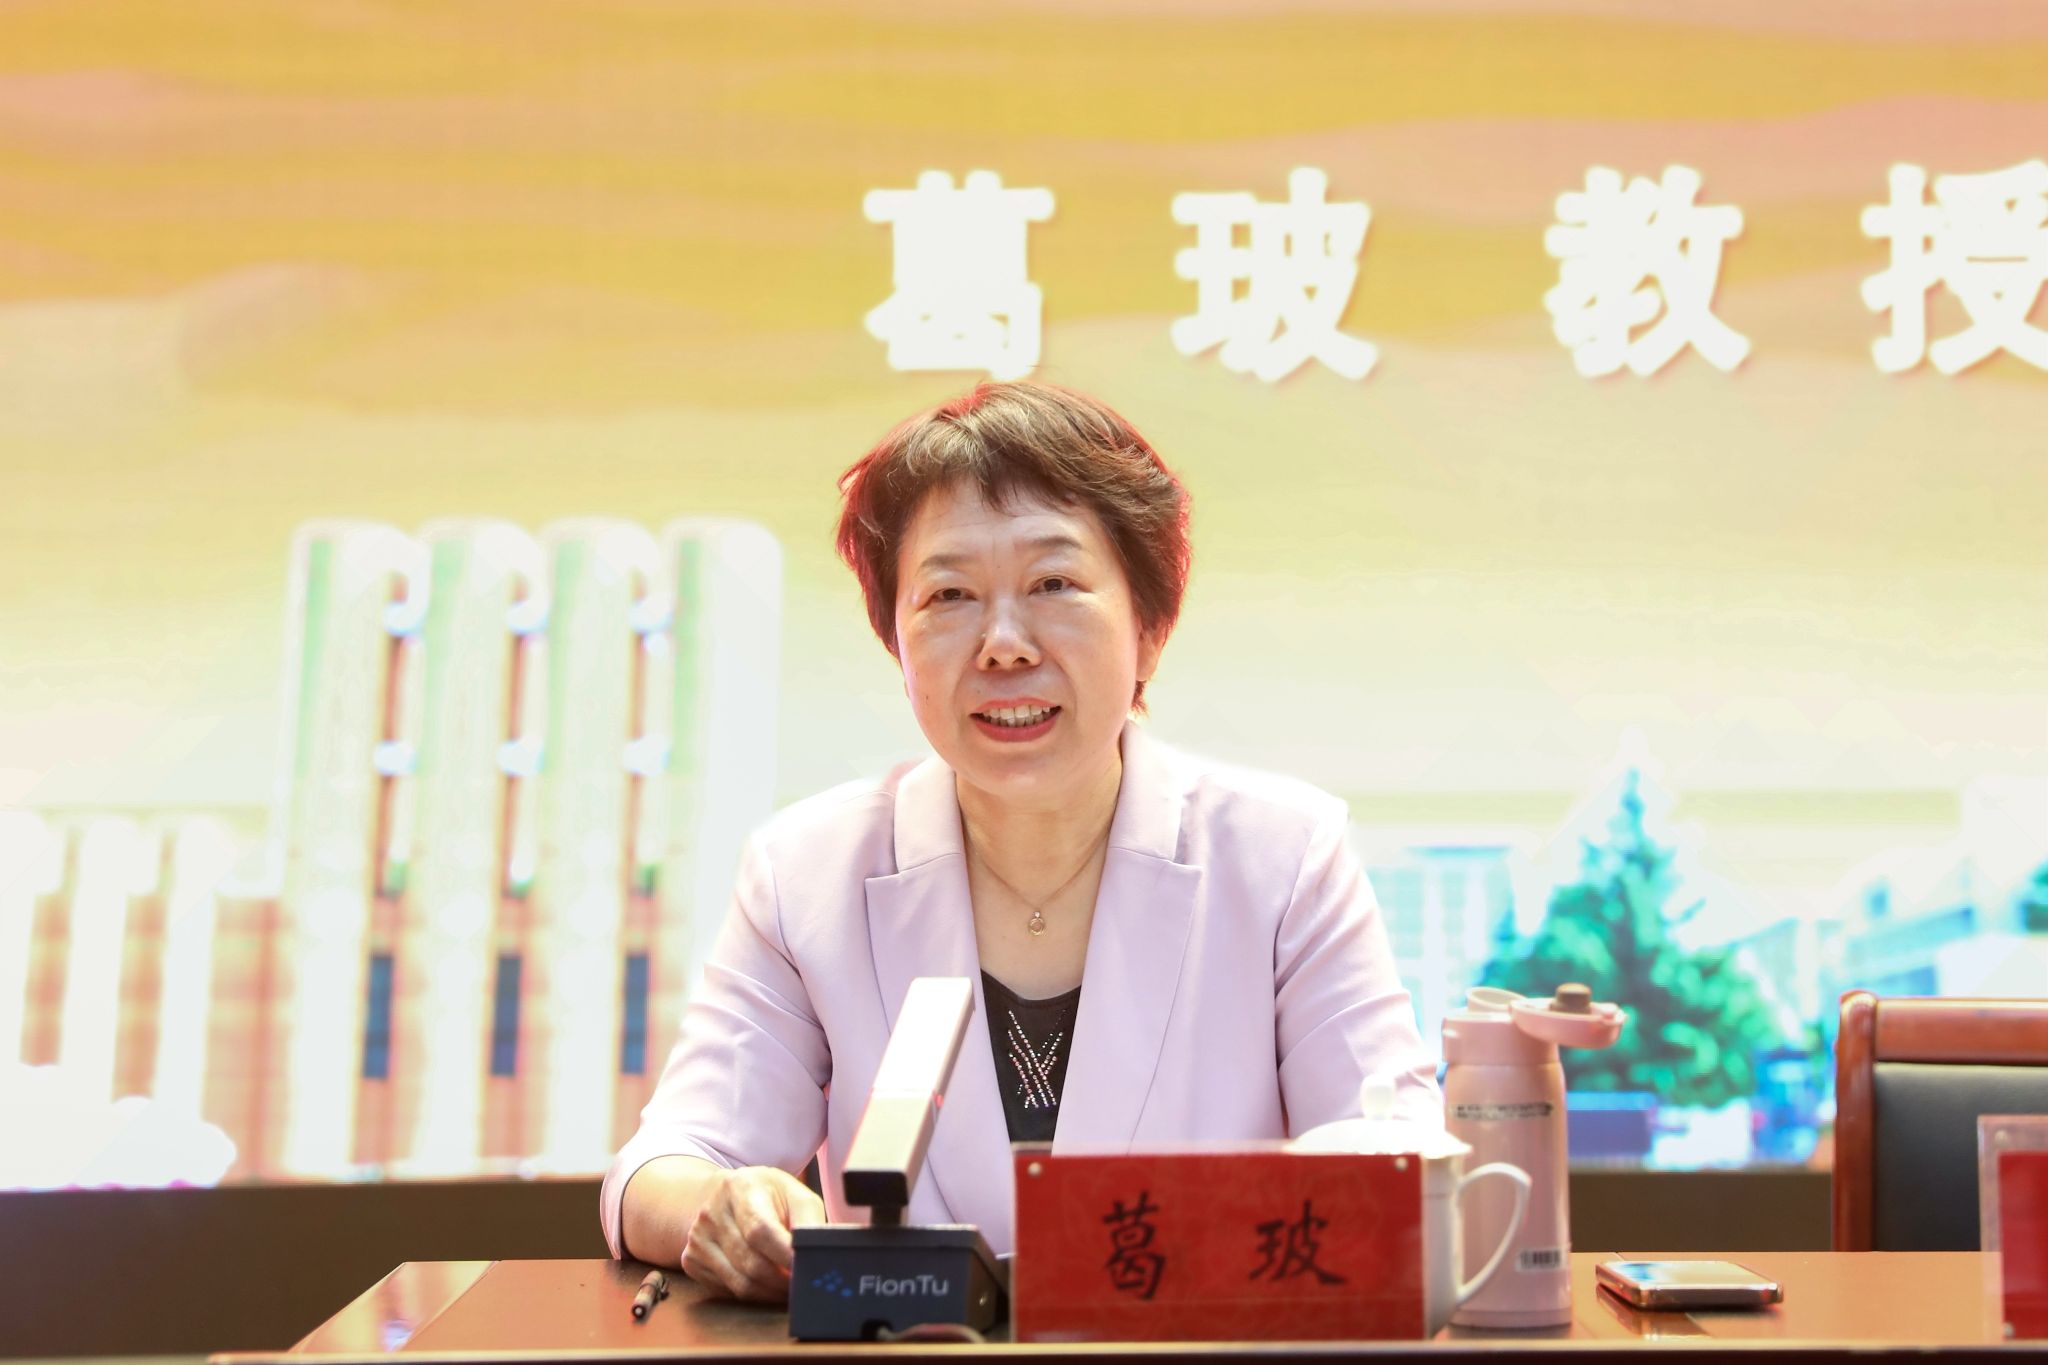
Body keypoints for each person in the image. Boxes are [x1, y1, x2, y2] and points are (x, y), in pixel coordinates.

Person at [601, 381, 1440, 1301]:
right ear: (897, 644)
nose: (1003, 644)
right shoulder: (807, 873)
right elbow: (663, 1165)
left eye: (1054, 584)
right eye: (949, 594)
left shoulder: (1285, 858)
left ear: (1150, 627)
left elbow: (1396, 1152)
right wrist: (723, 1206)